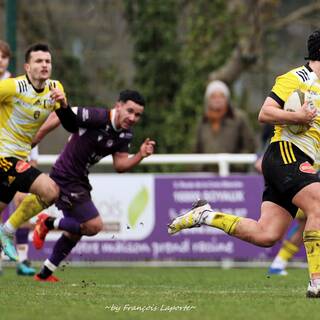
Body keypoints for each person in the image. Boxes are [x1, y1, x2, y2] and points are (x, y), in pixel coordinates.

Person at [168, 29, 320, 298]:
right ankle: (317, 282)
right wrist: (296, 115)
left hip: (299, 160)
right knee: (318, 203)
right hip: (285, 153)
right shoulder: (295, 78)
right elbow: (265, 112)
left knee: (266, 235)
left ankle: (205, 215)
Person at [29, 89, 155, 282]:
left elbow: (120, 165)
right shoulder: (97, 117)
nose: (132, 117)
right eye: (129, 111)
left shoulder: (125, 134)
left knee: (76, 232)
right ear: (118, 105)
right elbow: (62, 115)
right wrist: (35, 139)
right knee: (94, 226)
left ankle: (44, 274)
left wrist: (140, 155)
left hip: (79, 179)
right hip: (66, 175)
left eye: (137, 115)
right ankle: (47, 222)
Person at [0, 43, 69, 261]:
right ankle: (7, 232)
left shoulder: (55, 88)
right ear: (27, 67)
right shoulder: (12, 86)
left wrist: (64, 105)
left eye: (47, 61)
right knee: (50, 191)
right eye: (39, 61)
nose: (44, 65)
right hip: (3, 156)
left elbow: (69, 123)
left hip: (20, 156)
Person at [194, 80, 256, 171]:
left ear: (227, 98)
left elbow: (250, 145)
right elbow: (195, 148)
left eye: (221, 96)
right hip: (207, 176)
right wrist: (199, 167)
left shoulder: (238, 118)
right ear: (208, 100)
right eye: (213, 97)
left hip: (233, 176)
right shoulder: (203, 120)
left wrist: (239, 164)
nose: (217, 100)